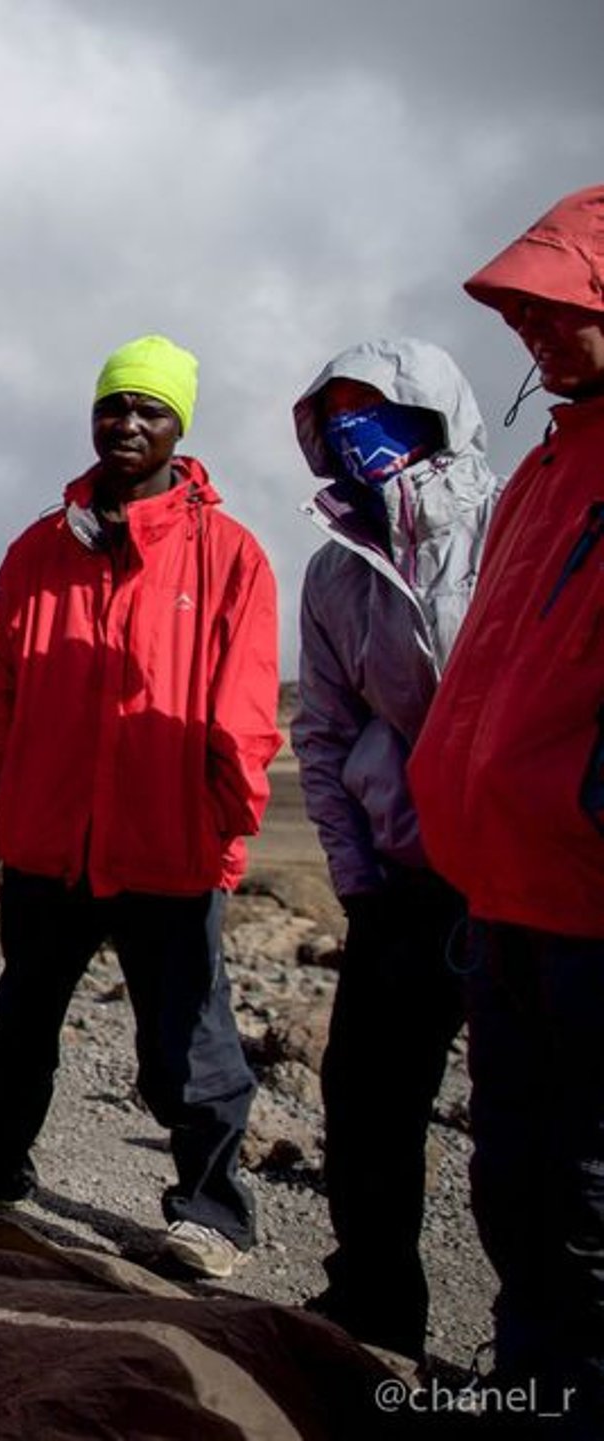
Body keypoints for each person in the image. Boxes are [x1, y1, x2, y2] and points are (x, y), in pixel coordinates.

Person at [0, 336, 280, 1283]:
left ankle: (211, 1213)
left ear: (179, 425)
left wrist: (226, 825)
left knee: (189, 1039)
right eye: (113, 406)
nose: (127, 423)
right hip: (49, 836)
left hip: (168, 842)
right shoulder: (42, 547)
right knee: (21, 1018)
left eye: (149, 409)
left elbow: (244, 707)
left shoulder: (230, 556)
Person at [408, 185, 604, 1423]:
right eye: (518, 309)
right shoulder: (545, 467)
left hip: (588, 900)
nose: (528, 327)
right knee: (514, 1175)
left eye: (554, 303)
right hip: (506, 890)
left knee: (589, 1192)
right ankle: (530, 1385)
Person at [290, 338, 498, 1360]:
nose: (354, 432)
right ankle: (373, 1315)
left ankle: (548, 1356)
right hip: (404, 881)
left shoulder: (515, 527)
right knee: (367, 1100)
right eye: (334, 417)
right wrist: (357, 876)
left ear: (434, 412)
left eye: (374, 409)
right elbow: (325, 733)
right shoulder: (335, 571)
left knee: (533, 1128)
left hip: (526, 878)